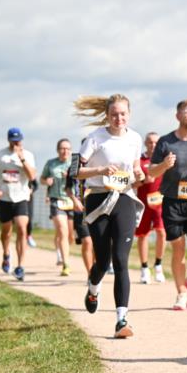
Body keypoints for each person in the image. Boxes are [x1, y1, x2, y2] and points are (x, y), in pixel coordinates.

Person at [74, 94, 145, 338]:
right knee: (103, 261)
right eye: (114, 114)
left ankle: (121, 320)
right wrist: (100, 170)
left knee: (121, 259)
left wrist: (139, 173)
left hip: (124, 198)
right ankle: (93, 288)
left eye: (123, 114)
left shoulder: (135, 138)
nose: (119, 118)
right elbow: (77, 172)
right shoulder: (95, 138)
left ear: (129, 114)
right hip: (98, 199)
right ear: (107, 115)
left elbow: (135, 168)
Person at [147, 100, 187, 310]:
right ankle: (181, 294)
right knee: (178, 251)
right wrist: (164, 165)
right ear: (178, 116)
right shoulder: (166, 142)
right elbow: (151, 171)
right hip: (173, 203)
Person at [0, 128, 37, 281]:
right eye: (13, 140)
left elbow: (32, 176)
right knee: (6, 231)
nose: (16, 143)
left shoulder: (28, 155)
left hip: (21, 198)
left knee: (22, 228)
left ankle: (20, 266)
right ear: (8, 140)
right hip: (4, 198)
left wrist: (22, 159)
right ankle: (6, 253)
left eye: (18, 140)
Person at [135, 131, 166, 284]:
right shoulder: (139, 161)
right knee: (143, 235)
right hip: (143, 203)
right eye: (150, 142)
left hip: (159, 203)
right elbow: (132, 183)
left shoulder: (164, 160)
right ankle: (144, 268)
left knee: (161, 232)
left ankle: (158, 265)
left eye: (155, 142)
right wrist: (142, 182)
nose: (153, 145)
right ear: (145, 143)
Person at [42, 138, 74, 277]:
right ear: (58, 150)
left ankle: (63, 252)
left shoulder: (74, 164)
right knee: (62, 230)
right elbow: (42, 178)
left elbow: (83, 180)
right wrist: (46, 181)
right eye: (62, 148)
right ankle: (65, 264)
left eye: (67, 148)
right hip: (57, 200)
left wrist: (71, 177)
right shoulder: (51, 163)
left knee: (70, 236)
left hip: (71, 200)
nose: (65, 151)